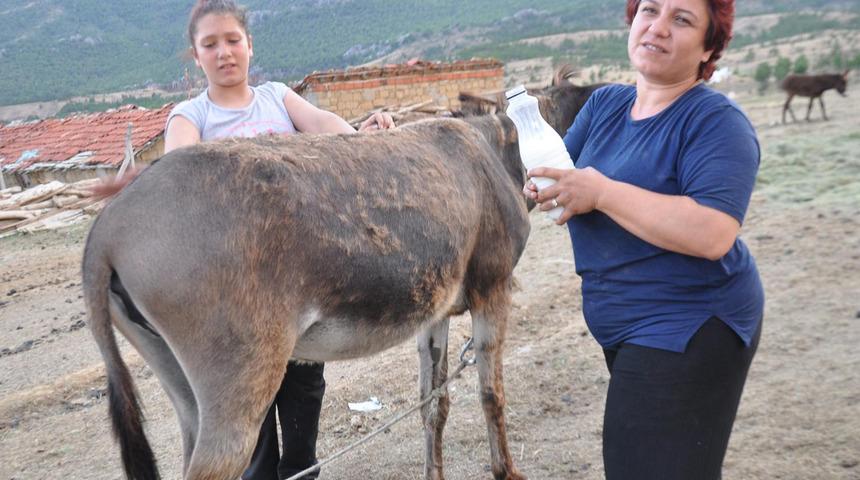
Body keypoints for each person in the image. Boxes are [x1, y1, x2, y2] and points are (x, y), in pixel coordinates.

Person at [523, 1, 763, 479]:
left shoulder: (716, 123)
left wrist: (603, 192)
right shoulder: (605, 105)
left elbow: (713, 231)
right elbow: (565, 179)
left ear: (709, 47)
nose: (658, 27)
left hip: (692, 323)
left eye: (682, 19)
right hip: (628, 325)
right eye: (650, 9)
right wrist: (544, 187)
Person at [164, 1, 394, 479]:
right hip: (236, 297)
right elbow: (178, 173)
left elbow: (326, 127)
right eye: (211, 44)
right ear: (195, 55)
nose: (224, 52)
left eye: (232, 40)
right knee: (255, 431)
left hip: (300, 288)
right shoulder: (190, 116)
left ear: (250, 45)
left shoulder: (276, 98)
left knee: (304, 406)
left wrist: (364, 138)